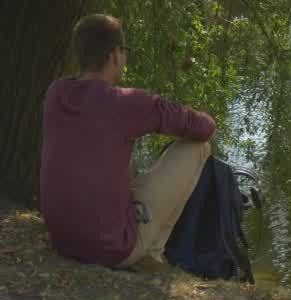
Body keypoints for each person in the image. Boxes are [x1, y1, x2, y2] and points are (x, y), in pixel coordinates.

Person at [40, 14, 216, 269]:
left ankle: (148, 252)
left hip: (64, 241)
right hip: (110, 249)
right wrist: (207, 119)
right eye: (125, 51)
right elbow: (204, 128)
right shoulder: (127, 102)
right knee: (198, 147)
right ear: (114, 55)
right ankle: (152, 253)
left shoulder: (56, 94)